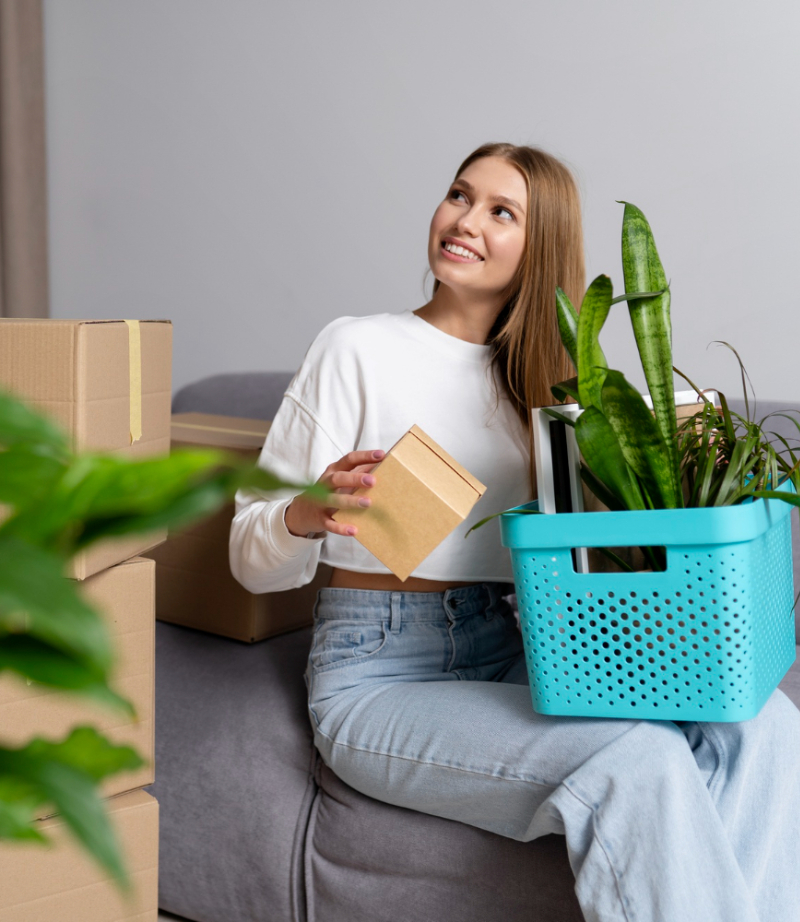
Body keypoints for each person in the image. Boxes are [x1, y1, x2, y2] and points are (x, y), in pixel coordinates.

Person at [229, 143, 800, 922]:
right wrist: (304, 512)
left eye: (502, 212)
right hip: (378, 671)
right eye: (460, 195)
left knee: (764, 723)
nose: (465, 221)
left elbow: (600, 543)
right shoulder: (356, 347)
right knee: (636, 762)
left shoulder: (551, 387)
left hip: (517, 653)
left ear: (540, 248)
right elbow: (249, 562)